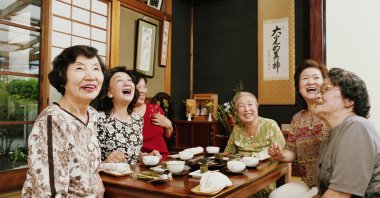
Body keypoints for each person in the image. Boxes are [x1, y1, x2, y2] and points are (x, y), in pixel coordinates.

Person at [22, 45, 106, 197]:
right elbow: (50, 192)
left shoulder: (92, 115)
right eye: (80, 68)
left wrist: (96, 177)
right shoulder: (53, 120)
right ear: (62, 78)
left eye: (96, 68)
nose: (91, 76)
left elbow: (87, 165)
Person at [313, 68, 380, 197]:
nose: (317, 96)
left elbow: (338, 195)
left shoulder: (356, 127)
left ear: (349, 100)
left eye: (326, 89)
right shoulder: (330, 137)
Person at [268, 59, 329, 193]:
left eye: (316, 77)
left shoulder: (332, 112)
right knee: (276, 195)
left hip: (332, 184)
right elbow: (292, 152)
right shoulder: (297, 118)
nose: (310, 82)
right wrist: (280, 155)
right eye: (305, 78)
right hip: (309, 183)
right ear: (299, 89)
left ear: (325, 84)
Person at [223, 91, 286, 198]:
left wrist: (276, 150)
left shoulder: (270, 125)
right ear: (237, 112)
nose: (247, 109)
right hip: (239, 176)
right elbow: (226, 155)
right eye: (241, 106)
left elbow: (282, 151)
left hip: (263, 178)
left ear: (256, 106)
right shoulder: (237, 130)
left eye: (250, 104)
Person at [94, 66, 156, 164]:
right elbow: (88, 162)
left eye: (129, 80)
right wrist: (106, 162)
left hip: (132, 177)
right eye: (119, 80)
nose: (127, 83)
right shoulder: (98, 119)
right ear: (109, 92)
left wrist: (144, 156)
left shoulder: (137, 120)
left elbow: (131, 152)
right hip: (108, 178)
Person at [130, 71, 173, 159]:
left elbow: (166, 137)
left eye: (144, 87)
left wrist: (169, 126)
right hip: (143, 161)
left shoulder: (155, 109)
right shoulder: (124, 114)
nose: (142, 91)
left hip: (163, 157)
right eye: (138, 87)